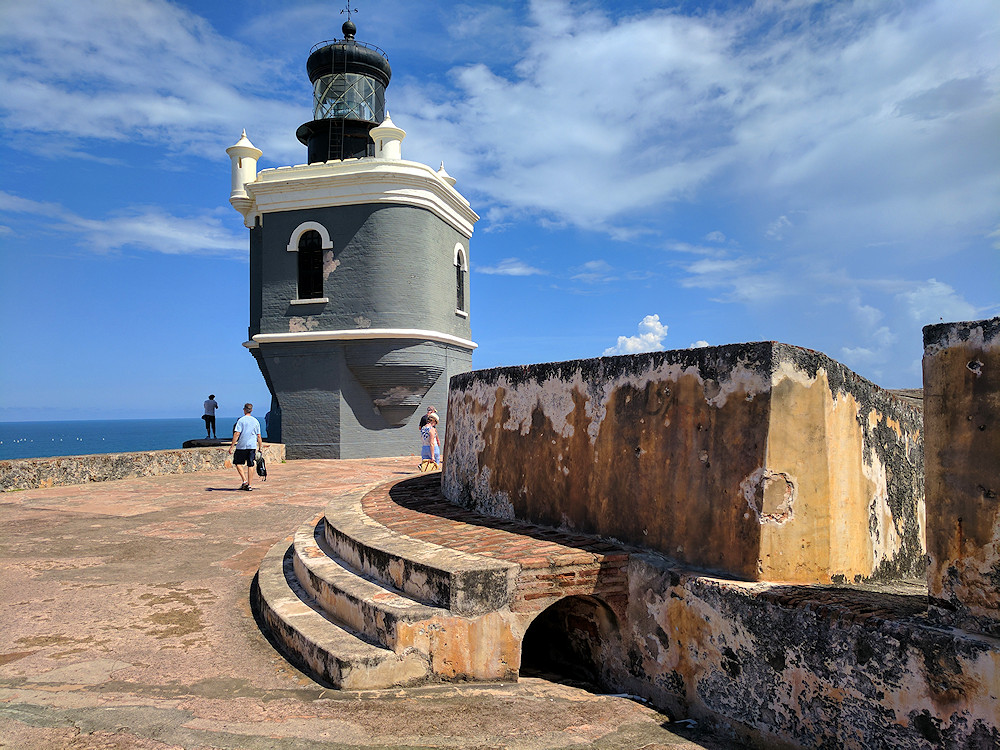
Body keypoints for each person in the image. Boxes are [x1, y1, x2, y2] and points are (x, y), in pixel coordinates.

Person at [228, 403, 263, 491]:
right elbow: (259, 435)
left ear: (244, 410)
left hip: (241, 445)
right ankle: (250, 485)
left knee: (237, 463)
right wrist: (260, 447)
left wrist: (232, 446)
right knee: (250, 464)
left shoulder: (241, 420)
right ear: (251, 410)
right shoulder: (256, 421)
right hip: (252, 446)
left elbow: (237, 433)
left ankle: (244, 481)